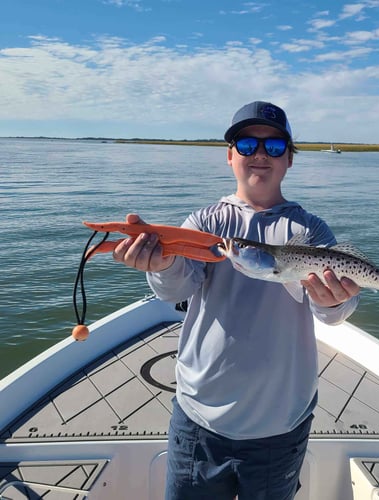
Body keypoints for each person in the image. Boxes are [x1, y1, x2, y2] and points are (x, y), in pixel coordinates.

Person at [113, 101, 360, 499]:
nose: (260, 155)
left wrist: (336, 301)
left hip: (281, 424)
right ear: (230, 155)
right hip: (198, 417)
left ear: (289, 159)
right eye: (247, 144)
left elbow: (332, 314)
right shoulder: (206, 223)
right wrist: (160, 264)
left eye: (275, 146)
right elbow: (175, 290)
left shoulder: (311, 230)